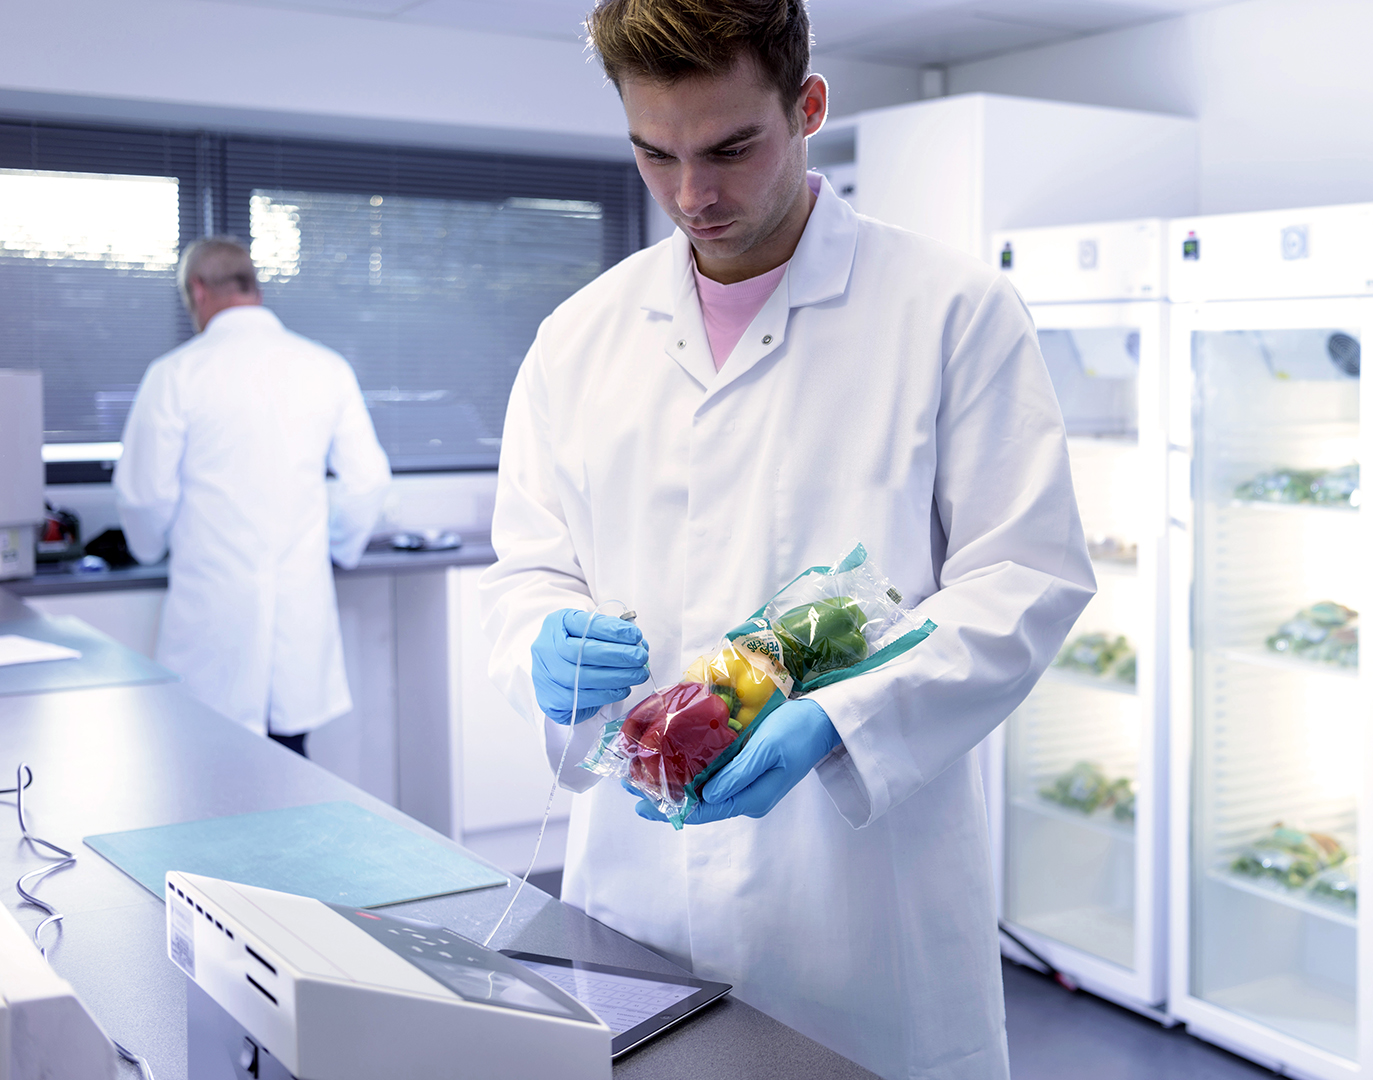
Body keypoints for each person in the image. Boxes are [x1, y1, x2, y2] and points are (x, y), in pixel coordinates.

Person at [476, 1, 1095, 1076]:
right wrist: (541, 639)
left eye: (729, 148)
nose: (692, 195)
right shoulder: (576, 341)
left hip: (859, 922)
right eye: (653, 154)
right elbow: (531, 564)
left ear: (808, 107)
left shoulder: (953, 313)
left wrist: (843, 723)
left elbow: (1024, 577)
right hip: (640, 901)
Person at [115, 237, 391, 757]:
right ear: (252, 285)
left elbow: (145, 496)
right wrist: (335, 548)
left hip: (213, 620)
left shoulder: (176, 374)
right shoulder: (325, 367)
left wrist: (149, 548)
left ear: (197, 291)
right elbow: (368, 482)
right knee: (289, 773)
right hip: (298, 609)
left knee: (207, 780)